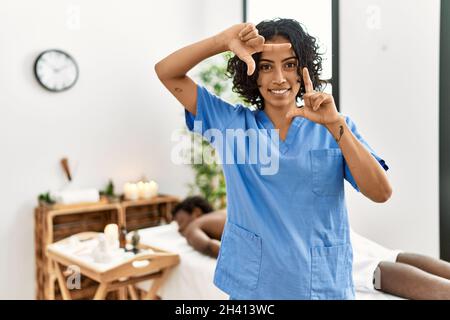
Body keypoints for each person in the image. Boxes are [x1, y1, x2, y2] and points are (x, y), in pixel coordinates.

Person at [155, 18, 392, 299]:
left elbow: (381, 192)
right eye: (266, 66)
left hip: (322, 287)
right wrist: (222, 41)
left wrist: (335, 125)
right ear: (252, 72)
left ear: (304, 69)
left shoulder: (335, 127)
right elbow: (167, 72)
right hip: (256, 291)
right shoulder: (231, 125)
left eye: (290, 64)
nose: (279, 78)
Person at [172, 196, 450, 300]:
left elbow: (207, 246)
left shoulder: (203, 222)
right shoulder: (232, 207)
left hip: (299, 243)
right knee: (388, 255)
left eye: (181, 222)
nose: (181, 229)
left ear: (195, 211)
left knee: (370, 271)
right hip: (315, 227)